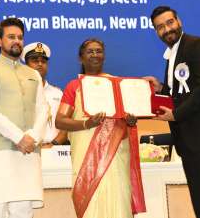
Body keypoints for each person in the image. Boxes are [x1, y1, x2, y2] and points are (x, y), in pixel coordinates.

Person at [144, 6, 200, 218]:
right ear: (156, 32)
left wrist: (175, 115)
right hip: (188, 139)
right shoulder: (172, 54)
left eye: (169, 23)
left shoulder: (197, 45)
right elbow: (181, 93)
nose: (166, 29)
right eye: (160, 27)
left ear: (179, 21)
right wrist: (161, 89)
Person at [55, 38, 146, 218]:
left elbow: (127, 119)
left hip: (116, 156)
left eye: (99, 51)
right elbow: (60, 121)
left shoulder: (118, 85)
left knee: (118, 202)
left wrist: (130, 121)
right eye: (90, 51)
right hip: (86, 159)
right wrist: (86, 124)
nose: (95, 55)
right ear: (81, 58)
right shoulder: (74, 87)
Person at [0, 18, 48, 218]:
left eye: (20, 37)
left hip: (28, 152)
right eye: (11, 37)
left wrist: (32, 136)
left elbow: (43, 109)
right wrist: (19, 137)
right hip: (0, 151)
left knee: (23, 211)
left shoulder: (33, 73)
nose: (17, 41)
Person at [21, 42, 67, 146]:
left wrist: (53, 144)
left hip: (54, 149)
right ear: (26, 65)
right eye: (35, 61)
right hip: (27, 150)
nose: (40, 64)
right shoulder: (18, 92)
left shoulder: (58, 93)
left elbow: (66, 127)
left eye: (43, 61)